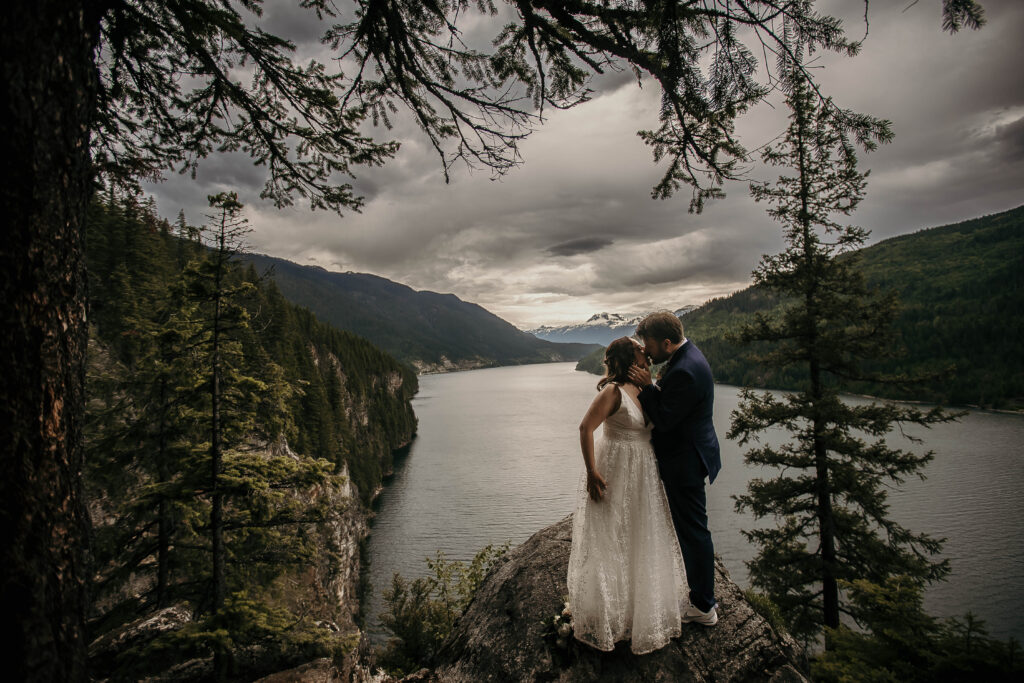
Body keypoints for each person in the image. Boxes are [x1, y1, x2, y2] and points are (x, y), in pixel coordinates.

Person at [567, 337, 688, 654]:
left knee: (641, 535)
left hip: (644, 471)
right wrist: (592, 472)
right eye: (640, 350)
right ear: (628, 358)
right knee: (612, 536)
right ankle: (609, 612)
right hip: (617, 468)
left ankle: (637, 609)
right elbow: (585, 428)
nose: (647, 353)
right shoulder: (613, 392)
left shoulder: (648, 388)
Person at [628, 311, 722, 627]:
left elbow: (666, 420)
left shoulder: (684, 371)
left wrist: (647, 388)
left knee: (694, 531)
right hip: (692, 453)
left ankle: (703, 606)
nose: (647, 351)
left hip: (685, 460)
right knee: (693, 529)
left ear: (667, 343)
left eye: (649, 345)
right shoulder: (687, 357)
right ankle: (702, 597)